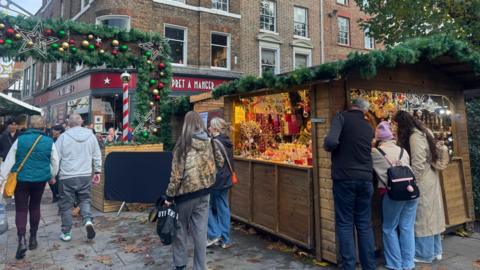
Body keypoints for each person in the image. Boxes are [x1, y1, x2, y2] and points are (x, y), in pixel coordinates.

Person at [164, 111, 224, 270]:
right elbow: (220, 162)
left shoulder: (182, 144)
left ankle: (180, 265)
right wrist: (209, 175)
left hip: (185, 195)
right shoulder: (210, 142)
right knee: (200, 233)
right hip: (205, 193)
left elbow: (176, 176)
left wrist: (169, 196)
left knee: (180, 230)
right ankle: (200, 267)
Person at [323, 98, 376, 270]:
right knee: (364, 224)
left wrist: (327, 145)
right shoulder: (369, 127)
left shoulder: (341, 118)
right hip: (366, 179)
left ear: (351, 106)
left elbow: (331, 142)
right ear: (364, 111)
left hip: (344, 177)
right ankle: (369, 266)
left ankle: (349, 266)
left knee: (345, 223)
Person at [0, 116, 59, 260]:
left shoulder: (20, 140)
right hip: (39, 180)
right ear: (43, 127)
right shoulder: (49, 141)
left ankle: (21, 240)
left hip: (21, 180)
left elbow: (9, 161)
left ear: (28, 126)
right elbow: (55, 161)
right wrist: (52, 175)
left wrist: (2, 178)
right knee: (35, 207)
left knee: (21, 209)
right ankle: (33, 238)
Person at [393, 110, 445, 264]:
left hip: (423, 180)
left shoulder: (415, 136)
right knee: (431, 216)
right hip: (430, 177)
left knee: (423, 217)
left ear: (402, 124)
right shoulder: (424, 131)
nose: (394, 128)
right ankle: (436, 250)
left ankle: (424, 254)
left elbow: (418, 162)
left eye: (395, 125)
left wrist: (411, 181)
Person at [372, 121, 417, 270]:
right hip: (411, 192)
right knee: (407, 227)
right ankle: (408, 263)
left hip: (393, 194)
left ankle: (395, 264)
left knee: (389, 228)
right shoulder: (403, 151)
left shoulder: (375, 152)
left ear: (378, 138)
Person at [55, 113, 102, 242]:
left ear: (69, 123)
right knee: (85, 200)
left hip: (67, 176)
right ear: (81, 121)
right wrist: (97, 171)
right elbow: (97, 154)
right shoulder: (91, 136)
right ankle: (87, 220)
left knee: (66, 205)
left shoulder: (63, 137)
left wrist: (53, 174)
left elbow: (56, 158)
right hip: (85, 174)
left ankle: (67, 232)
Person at [207, 117, 234, 249]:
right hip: (226, 179)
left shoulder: (214, 142)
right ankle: (225, 239)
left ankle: (215, 234)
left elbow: (214, 163)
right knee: (223, 208)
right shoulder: (227, 141)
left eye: (211, 126)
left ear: (216, 128)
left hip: (216, 180)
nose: (209, 128)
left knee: (204, 206)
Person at [49, 125, 65, 203]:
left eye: (54, 130)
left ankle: (58, 195)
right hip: (54, 162)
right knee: (52, 180)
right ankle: (55, 195)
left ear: (59, 131)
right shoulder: (53, 139)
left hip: (62, 163)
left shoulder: (64, 139)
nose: (53, 131)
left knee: (57, 180)